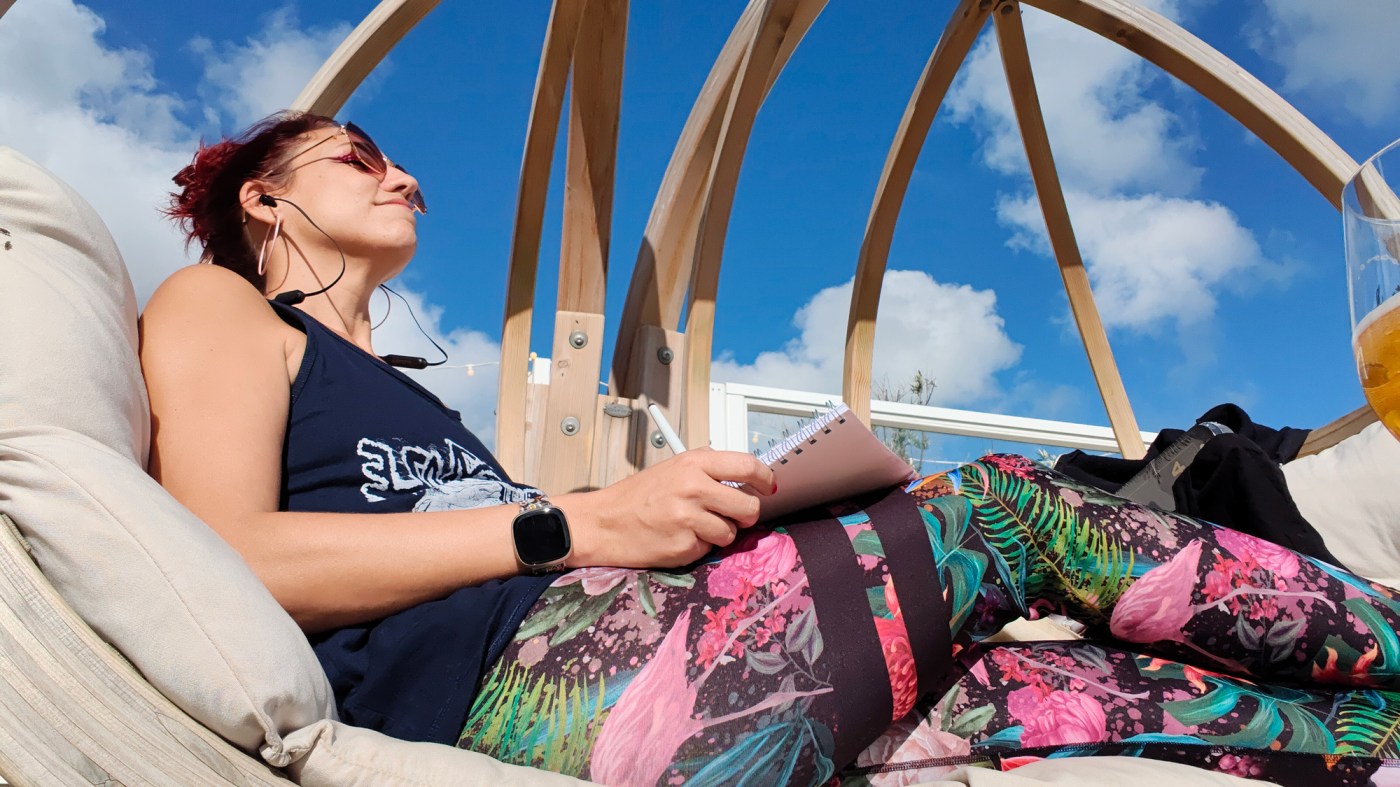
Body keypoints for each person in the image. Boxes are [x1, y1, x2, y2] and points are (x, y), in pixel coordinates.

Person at [143, 111, 1400, 786]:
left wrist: (687, 512)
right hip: (535, 697)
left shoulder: (409, 395)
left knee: (1055, 688)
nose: (404, 175)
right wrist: (569, 523)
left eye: (405, 160)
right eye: (359, 159)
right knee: (1011, 509)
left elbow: (504, 537)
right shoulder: (218, 307)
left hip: (631, 641)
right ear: (265, 197)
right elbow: (224, 553)